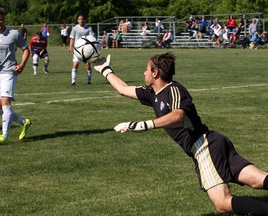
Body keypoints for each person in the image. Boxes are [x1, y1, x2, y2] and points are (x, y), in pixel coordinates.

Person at [92, 53, 268, 215]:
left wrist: (143, 125)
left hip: (204, 146)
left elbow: (178, 115)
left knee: (222, 203)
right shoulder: (152, 94)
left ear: (155, 73)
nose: (143, 72)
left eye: (146, 69)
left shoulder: (173, 89)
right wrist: (106, 70)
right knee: (257, 180)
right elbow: (123, 89)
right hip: (212, 142)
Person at [0, 7, 31, 145]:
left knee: (5, 104)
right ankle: (23, 122)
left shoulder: (13, 34)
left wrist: (21, 65)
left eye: (0, 19)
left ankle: (5, 136)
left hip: (9, 72)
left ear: (4, 20)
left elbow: (26, 49)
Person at [67, 14, 94, 85]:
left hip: (86, 50)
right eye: (79, 19)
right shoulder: (75, 28)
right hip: (77, 50)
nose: (81, 20)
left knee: (87, 65)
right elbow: (72, 38)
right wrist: (70, 47)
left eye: (82, 19)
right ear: (77, 20)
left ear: (84, 20)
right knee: (75, 64)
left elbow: (92, 38)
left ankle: (89, 81)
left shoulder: (88, 28)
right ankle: (73, 81)